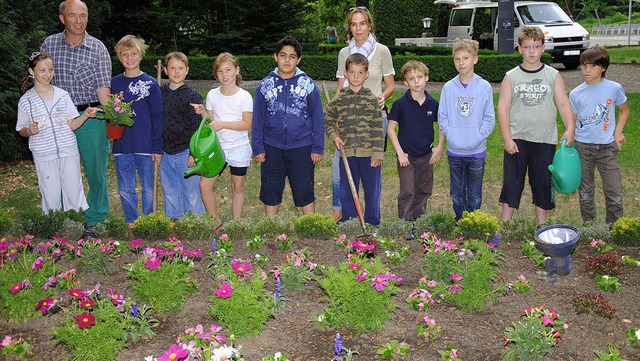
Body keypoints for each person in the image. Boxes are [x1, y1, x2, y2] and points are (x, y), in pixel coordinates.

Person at [41, 0, 111, 236]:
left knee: (96, 170)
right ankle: (65, 217)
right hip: (59, 119)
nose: (79, 21)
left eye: (83, 16)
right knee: (61, 170)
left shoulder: (98, 48)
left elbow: (103, 89)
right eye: (73, 16)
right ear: (62, 18)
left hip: (91, 116)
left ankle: (96, 218)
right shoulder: (49, 44)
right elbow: (41, 82)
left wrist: (117, 111)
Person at [497, 27, 575, 227]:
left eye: (536, 46)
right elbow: (503, 108)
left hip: (544, 138)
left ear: (543, 48)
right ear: (519, 49)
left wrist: (570, 127)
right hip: (518, 138)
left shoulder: (553, 76)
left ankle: (542, 226)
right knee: (512, 182)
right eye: (527, 47)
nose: (531, 51)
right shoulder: (511, 77)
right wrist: (507, 138)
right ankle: (506, 225)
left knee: (542, 183)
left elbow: (564, 104)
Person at [16, 52, 101, 215]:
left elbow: (72, 124)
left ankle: (76, 225)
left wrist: (85, 115)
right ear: (31, 71)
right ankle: (53, 228)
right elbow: (21, 129)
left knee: (73, 190)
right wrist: (30, 131)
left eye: (51, 69)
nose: (47, 74)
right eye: (42, 70)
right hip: (44, 154)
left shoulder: (62, 95)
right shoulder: (26, 101)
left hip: (68, 151)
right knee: (51, 193)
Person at [332, 6, 395, 221]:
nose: (358, 29)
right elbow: (340, 87)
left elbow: (390, 85)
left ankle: (372, 220)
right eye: (353, 24)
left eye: (362, 23)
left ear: (369, 25)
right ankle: (345, 216)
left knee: (371, 175)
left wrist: (383, 97)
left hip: (374, 118)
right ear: (349, 27)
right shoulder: (344, 53)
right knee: (344, 170)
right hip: (348, 120)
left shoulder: (382, 51)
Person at [252, 36, 324, 216]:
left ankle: (310, 225)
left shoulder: (307, 85)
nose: (287, 60)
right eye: (283, 55)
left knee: (304, 189)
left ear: (298, 60)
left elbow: (317, 118)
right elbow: (258, 120)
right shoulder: (264, 85)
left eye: (292, 57)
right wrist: (258, 147)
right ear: (275, 56)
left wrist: (318, 147)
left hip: (301, 145)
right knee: (271, 189)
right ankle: (271, 226)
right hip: (272, 145)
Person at [569, 46, 630, 224]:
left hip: (607, 147)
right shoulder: (575, 93)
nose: (586, 71)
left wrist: (618, 131)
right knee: (586, 192)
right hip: (583, 147)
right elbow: (572, 122)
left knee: (614, 192)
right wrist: (569, 136)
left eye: (592, 66)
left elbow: (624, 110)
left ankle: (615, 228)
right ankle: (591, 227)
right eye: (583, 66)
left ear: (603, 67)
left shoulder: (614, 88)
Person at [193, 52, 253, 228]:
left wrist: (223, 124)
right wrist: (203, 112)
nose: (224, 75)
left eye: (228, 70)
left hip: (239, 147)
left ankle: (236, 223)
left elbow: (246, 124)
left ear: (237, 70)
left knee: (238, 187)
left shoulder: (244, 96)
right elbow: (211, 123)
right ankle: (215, 221)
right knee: (205, 185)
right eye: (220, 71)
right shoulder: (212, 94)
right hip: (217, 149)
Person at [438, 39, 496, 221]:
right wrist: (452, 135)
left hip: (476, 151)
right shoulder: (448, 88)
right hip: (455, 151)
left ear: (475, 59)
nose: (461, 63)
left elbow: (489, 118)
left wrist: (478, 137)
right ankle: (459, 220)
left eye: (465, 58)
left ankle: (473, 221)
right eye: (457, 59)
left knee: (474, 193)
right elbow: (443, 117)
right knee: (456, 191)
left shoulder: (484, 87)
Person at [325, 53, 385, 226]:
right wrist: (334, 136)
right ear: (345, 73)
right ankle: (350, 224)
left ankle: (372, 223)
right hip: (347, 154)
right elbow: (327, 121)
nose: (356, 76)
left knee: (372, 191)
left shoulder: (372, 100)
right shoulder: (339, 99)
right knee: (347, 191)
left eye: (360, 72)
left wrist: (377, 153)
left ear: (367, 74)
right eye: (352, 72)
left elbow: (377, 127)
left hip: (369, 154)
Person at [111, 35, 164, 225]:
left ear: (141, 56)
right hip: (122, 144)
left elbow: (158, 117)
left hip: (146, 145)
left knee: (148, 187)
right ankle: (132, 220)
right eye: (125, 54)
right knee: (125, 187)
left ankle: (148, 221)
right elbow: (111, 113)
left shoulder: (150, 84)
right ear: (119, 57)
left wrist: (157, 147)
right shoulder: (115, 83)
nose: (130, 58)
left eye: (134, 53)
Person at [387, 60, 443, 231]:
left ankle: (418, 221)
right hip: (407, 157)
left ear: (426, 78)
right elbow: (391, 129)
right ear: (405, 82)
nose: (416, 81)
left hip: (426, 155)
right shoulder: (400, 104)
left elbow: (441, 126)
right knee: (408, 191)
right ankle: (405, 223)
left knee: (424, 189)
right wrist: (400, 153)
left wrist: (439, 147)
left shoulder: (433, 104)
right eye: (411, 78)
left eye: (419, 77)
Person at [159, 52, 205, 221]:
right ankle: (175, 219)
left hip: (186, 151)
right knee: (170, 188)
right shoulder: (160, 93)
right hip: (165, 150)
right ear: (165, 70)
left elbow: (196, 127)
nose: (176, 72)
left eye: (180, 68)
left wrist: (193, 153)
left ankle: (195, 222)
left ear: (187, 70)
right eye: (172, 68)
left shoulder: (192, 96)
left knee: (190, 190)